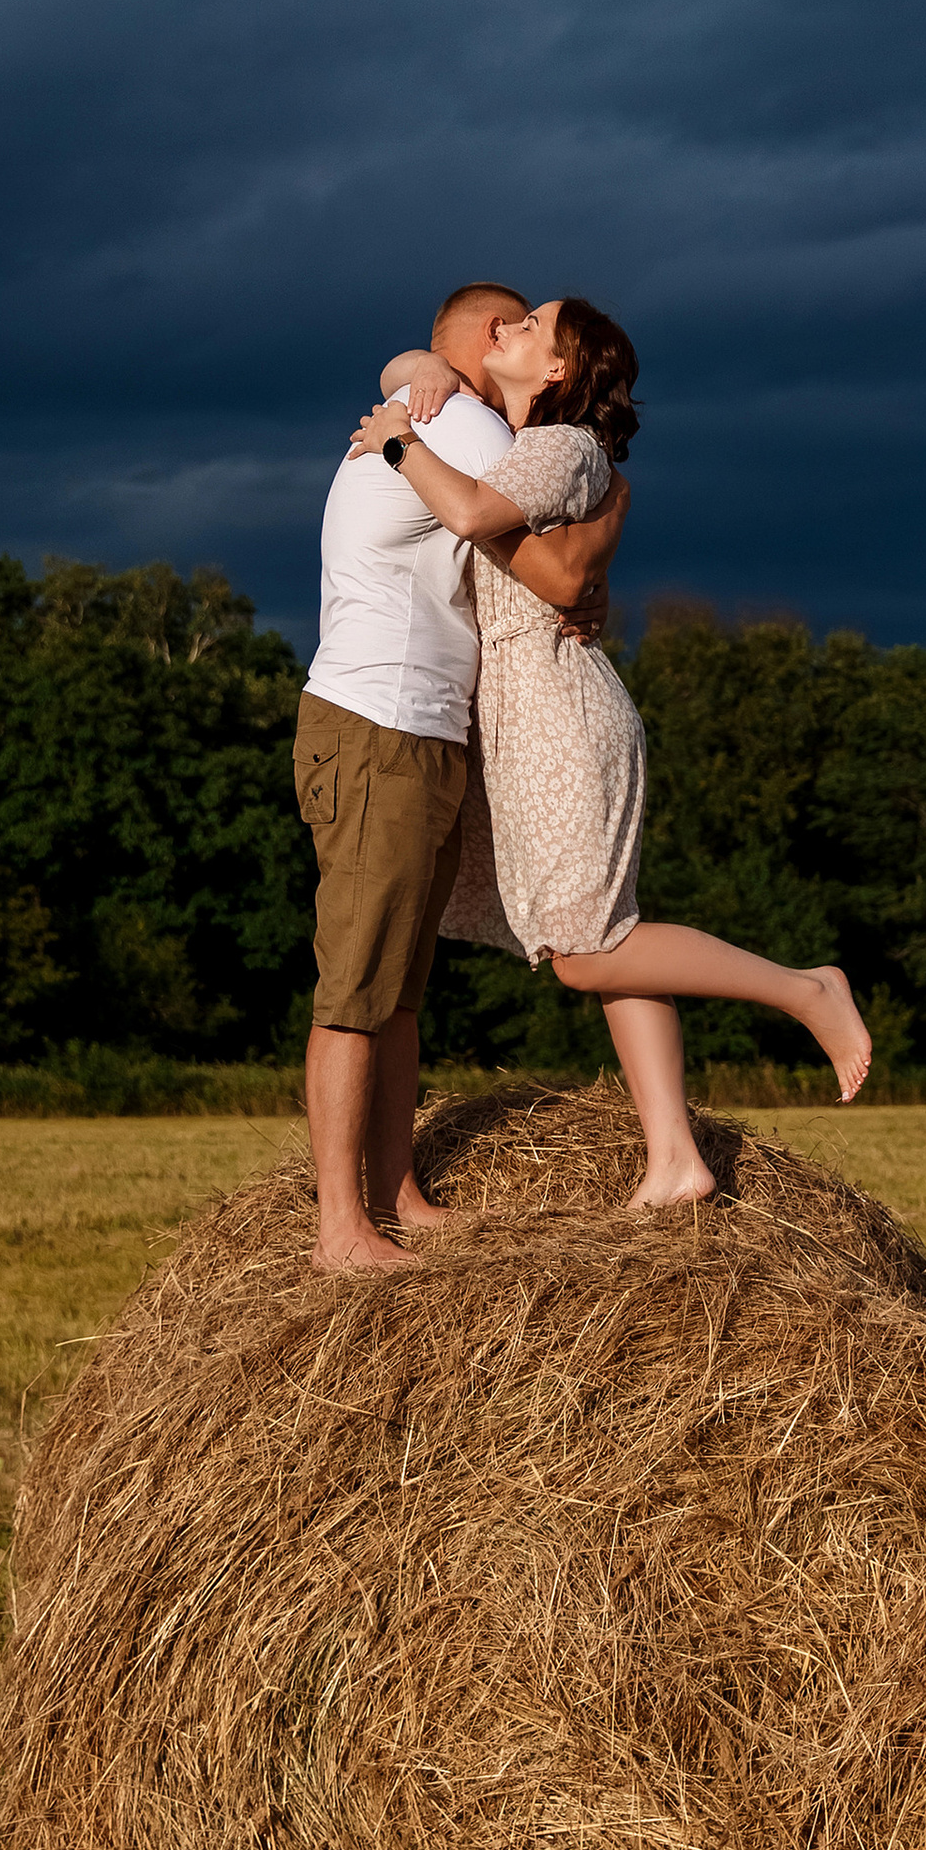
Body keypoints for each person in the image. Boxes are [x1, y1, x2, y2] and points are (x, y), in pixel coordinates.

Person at [352, 298, 870, 1208]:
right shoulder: (523, 441)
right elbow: (428, 368)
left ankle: (805, 990)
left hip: (558, 713)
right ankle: (675, 1158)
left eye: (533, 324)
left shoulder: (557, 446)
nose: (508, 328)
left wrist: (398, 441)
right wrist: (413, 376)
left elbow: (473, 515)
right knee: (608, 938)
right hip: (526, 711)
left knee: (590, 950)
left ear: (557, 371)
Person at [294, 280, 628, 1271]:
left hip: (423, 729)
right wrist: (606, 528)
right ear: (492, 338)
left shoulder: (434, 402)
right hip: (378, 724)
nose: (526, 334)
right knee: (356, 983)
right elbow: (550, 567)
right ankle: (339, 1231)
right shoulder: (472, 426)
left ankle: (394, 1194)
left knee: (398, 988)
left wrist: (410, 371)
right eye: (519, 323)